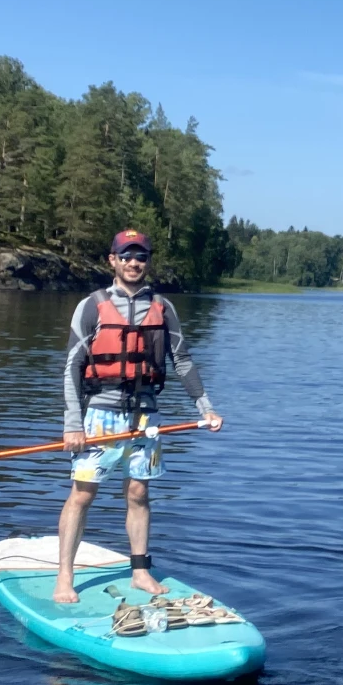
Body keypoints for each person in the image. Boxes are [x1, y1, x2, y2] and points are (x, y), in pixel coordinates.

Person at [53, 230, 223, 604]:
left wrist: (205, 407)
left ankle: (140, 571)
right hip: (100, 414)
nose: (134, 263)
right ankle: (64, 576)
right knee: (83, 494)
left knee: (139, 492)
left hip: (145, 417)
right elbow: (72, 367)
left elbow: (182, 361)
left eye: (141, 257)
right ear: (112, 260)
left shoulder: (163, 307)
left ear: (147, 262)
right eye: (126, 256)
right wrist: (73, 424)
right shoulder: (92, 305)